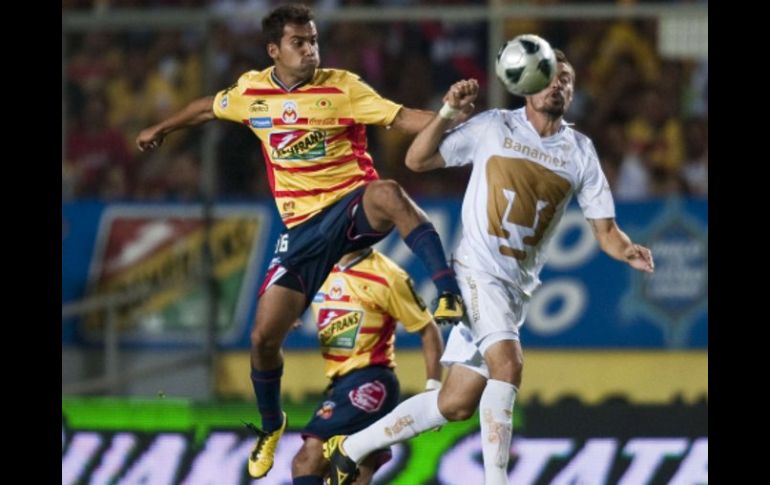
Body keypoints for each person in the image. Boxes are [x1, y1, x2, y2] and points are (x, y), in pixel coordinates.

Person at [135, 4, 467, 479]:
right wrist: (161, 128)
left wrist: (459, 123)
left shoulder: (342, 86)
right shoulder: (252, 92)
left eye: (313, 40)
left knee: (389, 192)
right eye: (299, 42)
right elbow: (208, 106)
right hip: (301, 232)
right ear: (274, 50)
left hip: (351, 206)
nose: (311, 49)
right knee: (263, 338)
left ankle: (448, 289)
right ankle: (272, 425)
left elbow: (402, 118)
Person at [324, 48, 655, 485]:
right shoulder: (496, 126)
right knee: (509, 364)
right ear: (529, 83)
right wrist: (445, 112)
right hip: (476, 272)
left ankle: (351, 448)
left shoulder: (579, 152)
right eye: (550, 77)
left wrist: (628, 249)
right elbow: (417, 160)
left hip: (515, 288)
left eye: (567, 80)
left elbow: (606, 231)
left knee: (456, 403)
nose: (558, 85)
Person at [291, 247, 443, 485]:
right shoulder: (318, 266)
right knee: (355, 475)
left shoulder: (388, 275)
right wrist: (289, 312)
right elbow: (291, 293)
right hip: (340, 383)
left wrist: (433, 387)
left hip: (371, 381)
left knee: (307, 459)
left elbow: (428, 328)